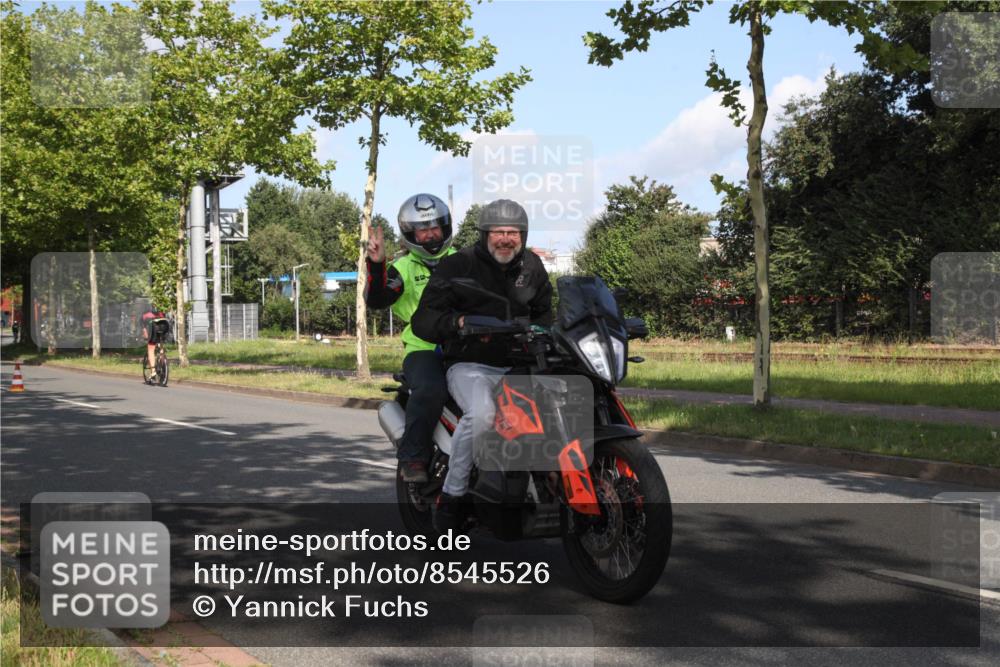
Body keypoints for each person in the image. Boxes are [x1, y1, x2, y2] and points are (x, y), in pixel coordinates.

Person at [412, 199, 552, 531]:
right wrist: (457, 323)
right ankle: (453, 494)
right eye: (498, 232)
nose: (505, 239)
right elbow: (424, 319)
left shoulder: (532, 267)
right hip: (470, 364)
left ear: (523, 235)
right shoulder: (458, 265)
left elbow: (546, 313)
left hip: (519, 365)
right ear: (485, 234)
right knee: (483, 413)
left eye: (513, 233)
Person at [365, 193, 456, 483]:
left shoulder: (464, 261)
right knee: (430, 389)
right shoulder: (403, 268)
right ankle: (413, 457)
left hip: (466, 345)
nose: (430, 235)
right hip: (423, 348)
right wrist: (377, 264)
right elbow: (378, 300)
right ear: (410, 234)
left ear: (445, 227)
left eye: (435, 227)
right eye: (422, 230)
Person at [142, 306, 169, 380]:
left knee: (151, 348)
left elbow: (144, 331)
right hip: (165, 325)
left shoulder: (145, 314)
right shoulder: (161, 310)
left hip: (154, 326)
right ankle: (163, 364)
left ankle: (153, 371)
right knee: (161, 345)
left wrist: (146, 337)